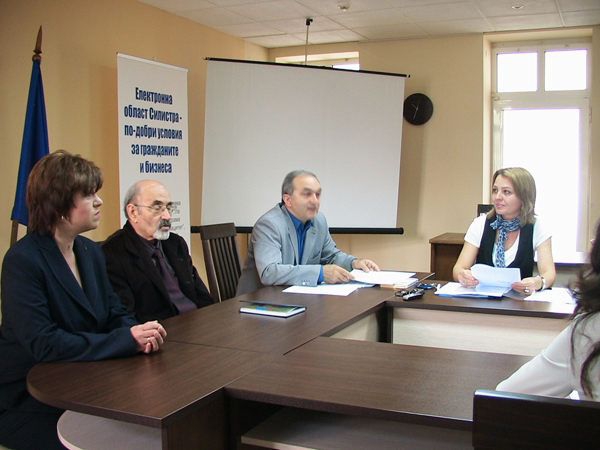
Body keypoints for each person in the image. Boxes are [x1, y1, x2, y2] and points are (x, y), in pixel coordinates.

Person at [0, 151, 166, 450]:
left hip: (85, 383)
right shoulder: (22, 260)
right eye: (89, 195)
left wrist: (140, 335)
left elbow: (114, 311)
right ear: (59, 203)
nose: (99, 201)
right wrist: (125, 340)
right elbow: (44, 343)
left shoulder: (90, 252)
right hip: (31, 400)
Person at [496, 222, 600, 400]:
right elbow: (459, 268)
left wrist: (539, 281)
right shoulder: (484, 225)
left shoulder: (588, 330)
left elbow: (508, 394)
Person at [236, 170, 380, 295]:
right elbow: (269, 272)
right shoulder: (269, 225)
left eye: (318, 194)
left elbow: (331, 255)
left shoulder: (319, 221)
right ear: (288, 200)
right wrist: (321, 273)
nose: (315, 201)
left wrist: (354, 263)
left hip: (295, 298)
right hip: (257, 303)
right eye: (307, 194)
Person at [103, 180, 214, 322]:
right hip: (163, 330)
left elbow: (202, 295)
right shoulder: (113, 253)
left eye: (169, 208)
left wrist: (212, 320)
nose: (167, 216)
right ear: (133, 212)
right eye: (157, 208)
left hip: (196, 322)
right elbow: (125, 316)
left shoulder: (175, 243)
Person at [453, 167, 555, 295]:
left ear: (524, 197)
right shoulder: (480, 223)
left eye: (506, 192)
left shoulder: (537, 226)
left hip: (520, 301)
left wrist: (538, 282)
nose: (497, 197)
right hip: (482, 300)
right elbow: (458, 268)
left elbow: (549, 274)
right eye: (495, 190)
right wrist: (462, 276)